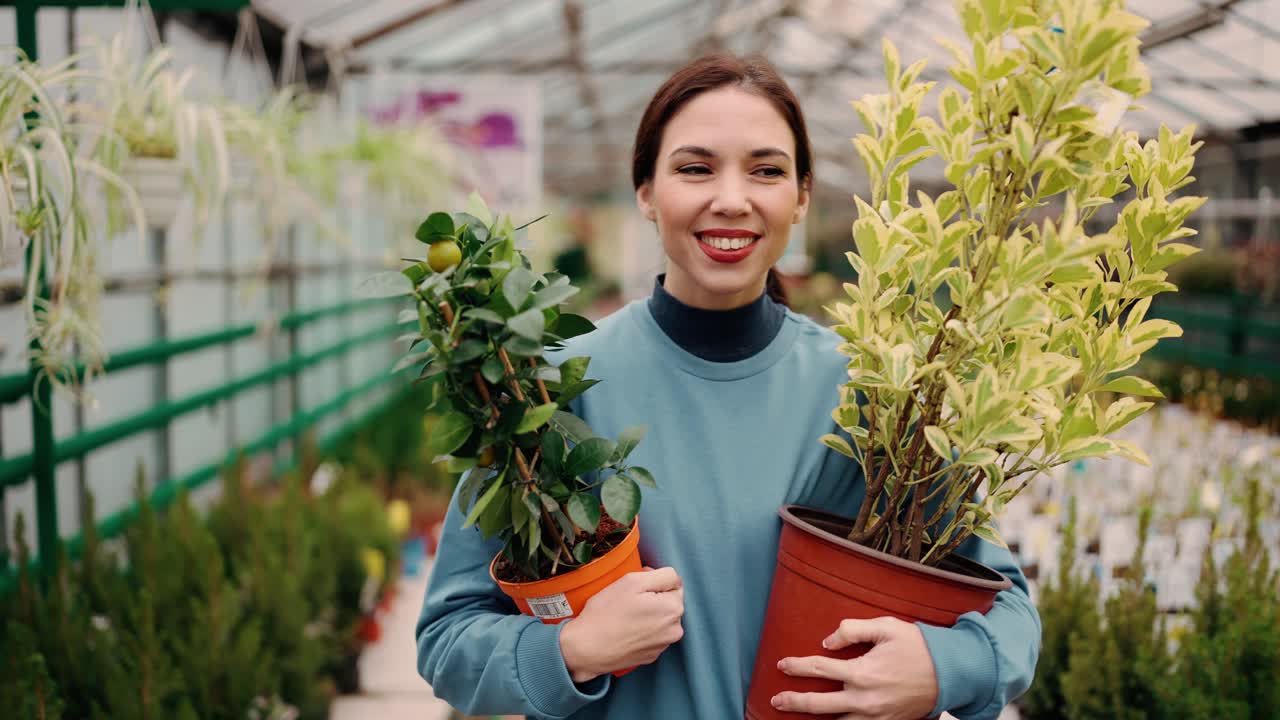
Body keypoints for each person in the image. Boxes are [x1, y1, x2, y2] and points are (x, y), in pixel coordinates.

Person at [416, 53, 1041, 720]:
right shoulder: (549, 390)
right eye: (696, 168)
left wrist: (940, 667)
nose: (732, 199)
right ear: (646, 192)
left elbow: (1007, 612)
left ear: (801, 197)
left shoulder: (877, 393)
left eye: (766, 171)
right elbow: (448, 637)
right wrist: (571, 648)